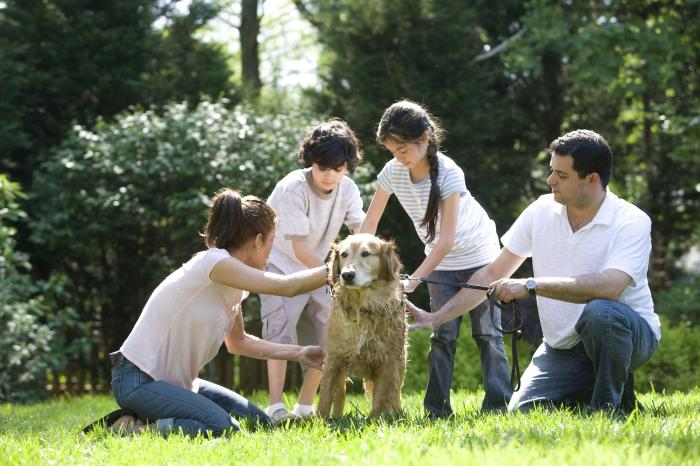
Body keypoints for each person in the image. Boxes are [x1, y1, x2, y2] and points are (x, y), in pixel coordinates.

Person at [407, 129, 660, 412]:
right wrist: (437, 318)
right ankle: (604, 385)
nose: (551, 180)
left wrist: (530, 285)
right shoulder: (541, 210)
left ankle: (607, 409)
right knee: (521, 412)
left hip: (629, 335)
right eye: (551, 171)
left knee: (602, 312)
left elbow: (610, 287)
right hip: (561, 348)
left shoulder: (631, 221)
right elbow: (492, 273)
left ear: (592, 180)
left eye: (561, 176)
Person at [108, 189, 329, 437]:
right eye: (271, 241)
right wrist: (341, 266)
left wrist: (301, 353)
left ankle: (147, 415)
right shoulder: (213, 263)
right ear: (257, 241)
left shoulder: (234, 284)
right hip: (139, 380)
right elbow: (288, 286)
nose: (270, 250)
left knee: (259, 423)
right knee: (224, 428)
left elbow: (238, 343)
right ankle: (135, 428)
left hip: (177, 385)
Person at [360, 100, 512, 416]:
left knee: (488, 334)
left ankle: (498, 405)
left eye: (402, 149)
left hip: (481, 258)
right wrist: (356, 260)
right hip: (441, 263)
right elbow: (370, 224)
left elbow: (446, 240)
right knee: (442, 334)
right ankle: (437, 409)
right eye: (391, 150)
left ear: (426, 137)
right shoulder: (392, 172)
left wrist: (414, 280)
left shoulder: (449, 174)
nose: (397, 157)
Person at [260, 118, 365, 424]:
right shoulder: (293, 187)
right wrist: (335, 277)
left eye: (339, 168)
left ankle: (305, 408)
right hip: (280, 269)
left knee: (326, 337)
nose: (331, 175)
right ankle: (275, 408)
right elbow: (298, 249)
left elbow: (361, 231)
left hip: (319, 271)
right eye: (324, 168)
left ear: (348, 165)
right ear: (311, 161)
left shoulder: (348, 189)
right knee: (279, 336)